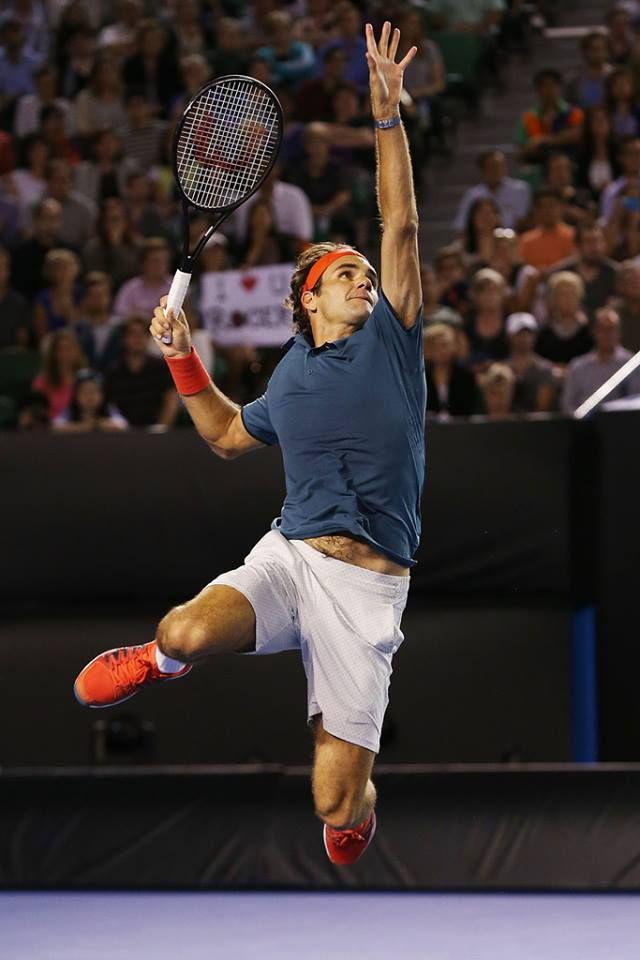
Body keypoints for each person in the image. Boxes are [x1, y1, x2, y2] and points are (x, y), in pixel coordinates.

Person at [74, 21, 425, 869]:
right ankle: (159, 661)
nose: (365, 279)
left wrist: (387, 118)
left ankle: (360, 803)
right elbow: (228, 434)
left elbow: (402, 226)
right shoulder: (290, 379)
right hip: (291, 558)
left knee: (334, 808)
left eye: (366, 273)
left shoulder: (393, 338)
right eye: (346, 273)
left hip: (368, 591)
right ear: (308, 300)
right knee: (186, 631)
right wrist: (181, 355)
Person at [104, 315, 178, 428]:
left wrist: (161, 428)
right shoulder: (113, 370)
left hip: (156, 430)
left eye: (142, 334)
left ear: (149, 338)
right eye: (132, 334)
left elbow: (171, 400)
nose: (137, 338)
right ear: (124, 339)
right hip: (121, 432)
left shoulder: (161, 367)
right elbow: (109, 405)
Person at [562, 307, 634, 412]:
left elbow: (635, 402)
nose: (607, 334)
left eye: (611, 329)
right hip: (586, 421)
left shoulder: (632, 365)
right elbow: (568, 405)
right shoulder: (578, 367)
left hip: (621, 420)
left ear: (619, 332)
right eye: (603, 329)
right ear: (594, 332)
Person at [551, 221, 619, 321]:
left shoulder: (614, 273)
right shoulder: (562, 272)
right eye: (589, 241)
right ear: (578, 246)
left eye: (598, 241)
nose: (595, 247)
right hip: (571, 325)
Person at [453, 149, 531, 233]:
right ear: (482, 169)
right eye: (493, 166)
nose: (498, 170)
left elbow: (525, 221)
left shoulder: (520, 189)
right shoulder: (473, 194)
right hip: (482, 237)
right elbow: (461, 226)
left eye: (501, 166)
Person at [536, 271, 593, 365]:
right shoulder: (544, 335)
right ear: (554, 298)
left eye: (572, 293)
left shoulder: (589, 333)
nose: (568, 298)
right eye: (562, 294)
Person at [505, 311, 557, 413]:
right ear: (509, 336)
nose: (523, 338)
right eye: (519, 334)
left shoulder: (544, 369)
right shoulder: (502, 369)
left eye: (527, 334)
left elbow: (542, 408)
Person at [424, 322, 479, 417]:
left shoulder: (466, 376)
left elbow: (470, 409)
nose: (441, 350)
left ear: (453, 347)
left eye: (445, 345)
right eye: (436, 346)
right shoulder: (421, 377)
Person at [32, 326, 87, 420]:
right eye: (60, 350)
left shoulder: (87, 377)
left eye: (69, 349)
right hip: (51, 426)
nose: (65, 354)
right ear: (53, 353)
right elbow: (35, 410)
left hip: (81, 426)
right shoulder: (43, 381)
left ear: (77, 351)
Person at [53, 367, 128, 431]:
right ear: (76, 395)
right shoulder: (71, 410)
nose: (89, 396)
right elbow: (56, 426)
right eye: (84, 391)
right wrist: (82, 426)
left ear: (102, 394)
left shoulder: (108, 408)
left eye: (94, 391)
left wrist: (97, 423)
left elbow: (122, 424)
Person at [518, 189, 576, 270]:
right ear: (536, 211)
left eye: (551, 205)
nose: (547, 210)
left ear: (561, 207)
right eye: (543, 206)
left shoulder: (573, 236)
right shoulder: (526, 240)